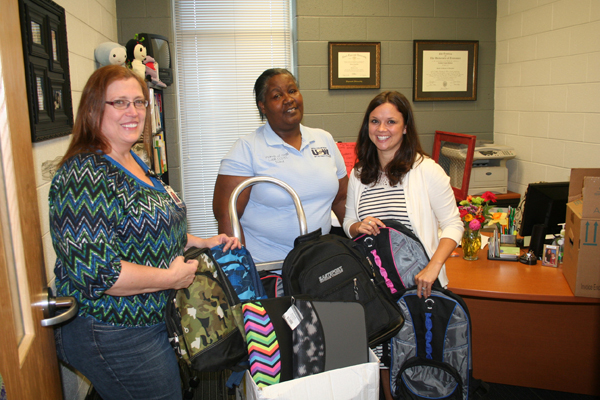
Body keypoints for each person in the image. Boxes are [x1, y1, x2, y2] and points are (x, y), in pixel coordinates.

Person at [49, 65, 240, 400]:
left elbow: (152, 228)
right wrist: (171, 279)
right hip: (112, 328)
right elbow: (98, 274)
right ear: (93, 109)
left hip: (148, 319)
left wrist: (202, 242)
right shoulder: (85, 176)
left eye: (139, 102)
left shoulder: (132, 159)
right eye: (120, 103)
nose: (133, 112)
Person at [343, 91, 463, 400]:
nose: (382, 129)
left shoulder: (427, 170)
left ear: (405, 126)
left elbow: (454, 224)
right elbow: (348, 221)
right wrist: (357, 226)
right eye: (375, 121)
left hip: (418, 284)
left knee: (416, 355)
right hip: (376, 287)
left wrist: (434, 267)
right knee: (383, 357)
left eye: (391, 122)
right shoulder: (359, 173)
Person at [213, 68, 348, 263]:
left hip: (317, 264)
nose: (288, 99)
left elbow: (341, 198)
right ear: (263, 106)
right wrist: (240, 267)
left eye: (292, 91)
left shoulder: (324, 139)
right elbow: (227, 215)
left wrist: (358, 240)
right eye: (277, 96)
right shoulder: (246, 148)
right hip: (268, 267)